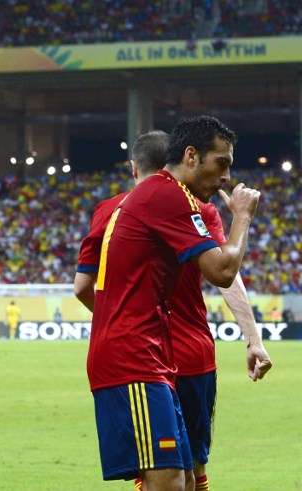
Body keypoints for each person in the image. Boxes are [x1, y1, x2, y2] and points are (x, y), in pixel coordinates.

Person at [75, 128, 272, 491]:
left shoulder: (117, 207)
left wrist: (118, 317)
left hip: (155, 352)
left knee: (173, 475)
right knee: (172, 477)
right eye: (222, 164)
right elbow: (224, 272)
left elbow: (83, 288)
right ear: (190, 156)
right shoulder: (175, 198)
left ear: (135, 168)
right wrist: (242, 216)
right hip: (143, 355)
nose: (226, 178)